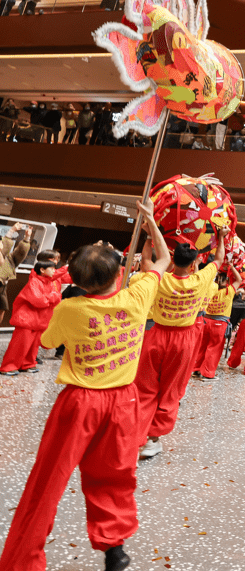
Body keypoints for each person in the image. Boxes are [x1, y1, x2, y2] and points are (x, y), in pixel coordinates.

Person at [0, 200, 170, 571]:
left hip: (79, 402)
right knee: (114, 475)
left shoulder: (69, 309)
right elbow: (163, 261)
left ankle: (23, 560)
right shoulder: (137, 297)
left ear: (74, 280)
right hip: (125, 402)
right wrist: (151, 223)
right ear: (117, 276)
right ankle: (114, 548)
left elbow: (46, 343)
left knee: (48, 479)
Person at [136, 229, 227, 459]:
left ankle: (138, 433)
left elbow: (146, 260)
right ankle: (153, 439)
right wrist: (223, 236)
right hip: (184, 340)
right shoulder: (200, 280)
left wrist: (149, 236)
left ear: (171, 258)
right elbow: (218, 259)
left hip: (156, 335)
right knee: (171, 390)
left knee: (145, 385)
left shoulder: (162, 278)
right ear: (195, 263)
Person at [0, 259, 61, 376]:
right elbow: (39, 301)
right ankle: (8, 366)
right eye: (52, 268)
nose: (54, 271)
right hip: (27, 320)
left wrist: (51, 297)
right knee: (20, 345)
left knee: (33, 346)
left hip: (39, 321)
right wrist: (52, 297)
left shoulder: (49, 282)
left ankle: (27, 364)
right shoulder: (34, 282)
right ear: (42, 270)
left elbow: (56, 297)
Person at [193, 265, 241, 380]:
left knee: (202, 347)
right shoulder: (228, 291)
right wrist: (232, 267)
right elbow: (239, 279)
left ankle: (196, 369)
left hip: (206, 321)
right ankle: (208, 373)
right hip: (219, 324)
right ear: (227, 280)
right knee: (214, 349)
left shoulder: (210, 287)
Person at [0, 222, 33, 325]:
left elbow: (21, 252)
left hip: (2, 288)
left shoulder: (9, 259)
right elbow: (4, 249)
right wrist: (12, 231)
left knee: (2, 308)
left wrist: (27, 238)